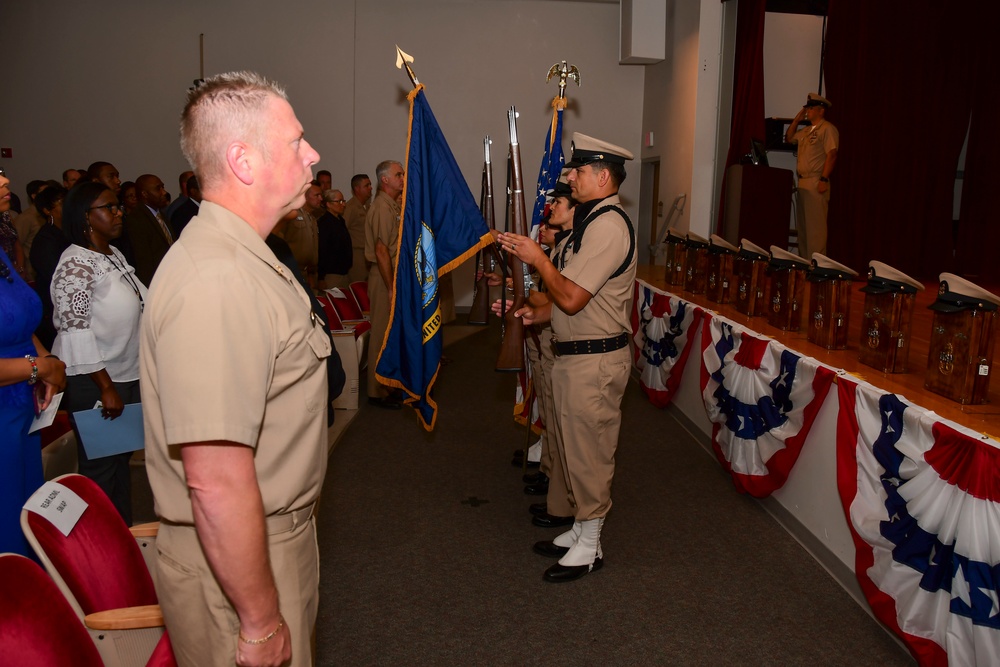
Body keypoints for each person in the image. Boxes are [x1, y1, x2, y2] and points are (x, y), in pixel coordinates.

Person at [140, 71, 329, 667]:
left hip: (269, 540)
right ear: (243, 160)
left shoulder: (247, 258)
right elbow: (215, 480)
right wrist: (259, 620)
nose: (313, 154)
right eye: (297, 141)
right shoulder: (217, 280)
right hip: (239, 563)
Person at [496, 133, 636, 583]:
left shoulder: (608, 225)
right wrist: (532, 310)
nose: (569, 177)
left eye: (578, 171)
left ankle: (591, 544)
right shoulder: (592, 221)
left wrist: (538, 259)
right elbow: (562, 301)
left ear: (602, 176)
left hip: (595, 359)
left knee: (590, 455)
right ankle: (580, 530)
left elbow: (572, 298)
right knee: (576, 451)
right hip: (578, 353)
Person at [51, 182, 147, 526]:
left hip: (126, 376)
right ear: (85, 217)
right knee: (101, 472)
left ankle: (124, 536)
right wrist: (106, 387)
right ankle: (98, 552)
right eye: (109, 207)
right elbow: (75, 330)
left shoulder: (111, 255)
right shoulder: (76, 264)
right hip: (98, 383)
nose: (118, 212)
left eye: (118, 206)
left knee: (119, 464)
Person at [0, 166, 67, 558]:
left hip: (20, 415)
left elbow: (21, 318)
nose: (6, 182)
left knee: (26, 521)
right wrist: (38, 368)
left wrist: (47, 359)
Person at [364, 160, 404, 409]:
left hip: (390, 275)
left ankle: (388, 384)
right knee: (380, 333)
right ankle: (375, 391)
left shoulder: (392, 206)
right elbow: (381, 251)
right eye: (398, 174)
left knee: (390, 334)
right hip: (382, 277)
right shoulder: (381, 207)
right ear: (385, 180)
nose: (403, 177)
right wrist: (390, 287)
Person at [785, 92, 838, 259]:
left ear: (821, 110)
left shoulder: (827, 129)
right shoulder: (806, 131)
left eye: (811, 109)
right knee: (804, 228)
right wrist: (797, 119)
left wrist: (823, 179)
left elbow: (832, 154)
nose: (808, 111)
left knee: (816, 230)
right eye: (807, 109)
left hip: (816, 181)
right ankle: (804, 264)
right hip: (802, 182)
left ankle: (816, 266)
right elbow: (789, 138)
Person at [29, 185, 70, 349]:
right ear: (47, 210)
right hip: (54, 309)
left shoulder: (70, 232)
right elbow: (57, 277)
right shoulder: (45, 240)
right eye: (62, 203)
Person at [124, 174, 173, 286]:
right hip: (158, 283)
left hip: (171, 276)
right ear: (144, 194)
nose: (164, 192)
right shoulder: (137, 219)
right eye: (158, 189)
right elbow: (143, 261)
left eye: (163, 187)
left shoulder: (161, 215)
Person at [317, 188, 352, 290]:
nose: (343, 204)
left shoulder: (340, 220)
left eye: (343, 201)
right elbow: (322, 250)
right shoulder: (324, 223)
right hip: (331, 274)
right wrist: (321, 277)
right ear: (328, 204)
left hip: (344, 273)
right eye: (339, 201)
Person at [344, 173, 372, 284]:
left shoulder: (368, 207)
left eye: (370, 184)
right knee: (358, 286)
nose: (371, 187)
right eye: (367, 185)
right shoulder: (350, 207)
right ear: (357, 189)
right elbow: (343, 231)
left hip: (367, 254)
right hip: (356, 255)